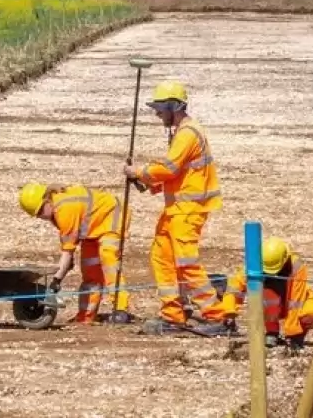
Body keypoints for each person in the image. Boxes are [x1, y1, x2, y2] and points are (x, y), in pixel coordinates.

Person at [124, 81, 227, 337]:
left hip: (187, 210)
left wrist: (138, 172)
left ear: (174, 106)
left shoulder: (188, 133)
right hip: (176, 209)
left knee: (186, 263)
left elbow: (169, 168)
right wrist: (151, 184)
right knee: (162, 257)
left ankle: (218, 316)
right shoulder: (181, 132)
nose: (157, 113)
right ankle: (173, 313)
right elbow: (177, 173)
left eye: (160, 108)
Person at [18, 182, 132, 325]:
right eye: (37, 215)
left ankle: (120, 310)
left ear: (47, 200)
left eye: (41, 211)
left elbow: (67, 252)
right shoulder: (56, 209)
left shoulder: (64, 210)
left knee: (108, 259)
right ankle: (85, 317)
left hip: (112, 215)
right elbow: (70, 247)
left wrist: (55, 282)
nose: (41, 216)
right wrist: (64, 268)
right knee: (90, 270)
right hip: (92, 229)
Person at [221, 237, 313, 347]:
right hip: (272, 304)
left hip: (295, 302)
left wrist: (293, 333)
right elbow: (235, 287)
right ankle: (272, 332)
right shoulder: (255, 264)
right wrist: (229, 311)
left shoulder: (296, 265)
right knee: (269, 295)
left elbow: (295, 301)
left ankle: (297, 334)